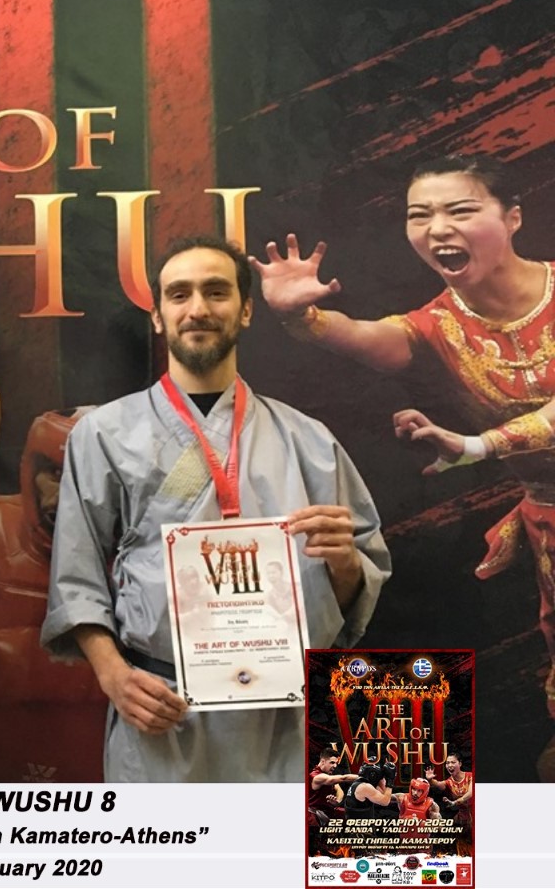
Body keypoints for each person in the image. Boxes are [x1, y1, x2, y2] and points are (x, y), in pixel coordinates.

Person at [41, 235, 391, 782]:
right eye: (179, 294)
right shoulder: (103, 434)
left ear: (246, 310)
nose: (198, 309)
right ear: (157, 316)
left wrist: (344, 562)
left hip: (284, 715)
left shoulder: (308, 439)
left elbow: (355, 589)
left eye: (217, 292)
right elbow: (76, 579)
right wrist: (114, 677)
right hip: (162, 710)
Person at [255, 154, 555, 754]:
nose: (438, 228)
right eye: (420, 216)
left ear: (513, 217)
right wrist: (302, 318)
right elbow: (369, 338)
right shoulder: (435, 325)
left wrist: (474, 446)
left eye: (460, 210)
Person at [309, 748, 358, 822]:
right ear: (323, 762)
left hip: (328, 812)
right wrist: (364, 777)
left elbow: (339, 790)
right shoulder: (317, 777)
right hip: (314, 816)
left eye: (336, 763)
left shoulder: (328, 775)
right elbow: (343, 778)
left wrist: (336, 801)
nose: (335, 766)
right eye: (332, 762)